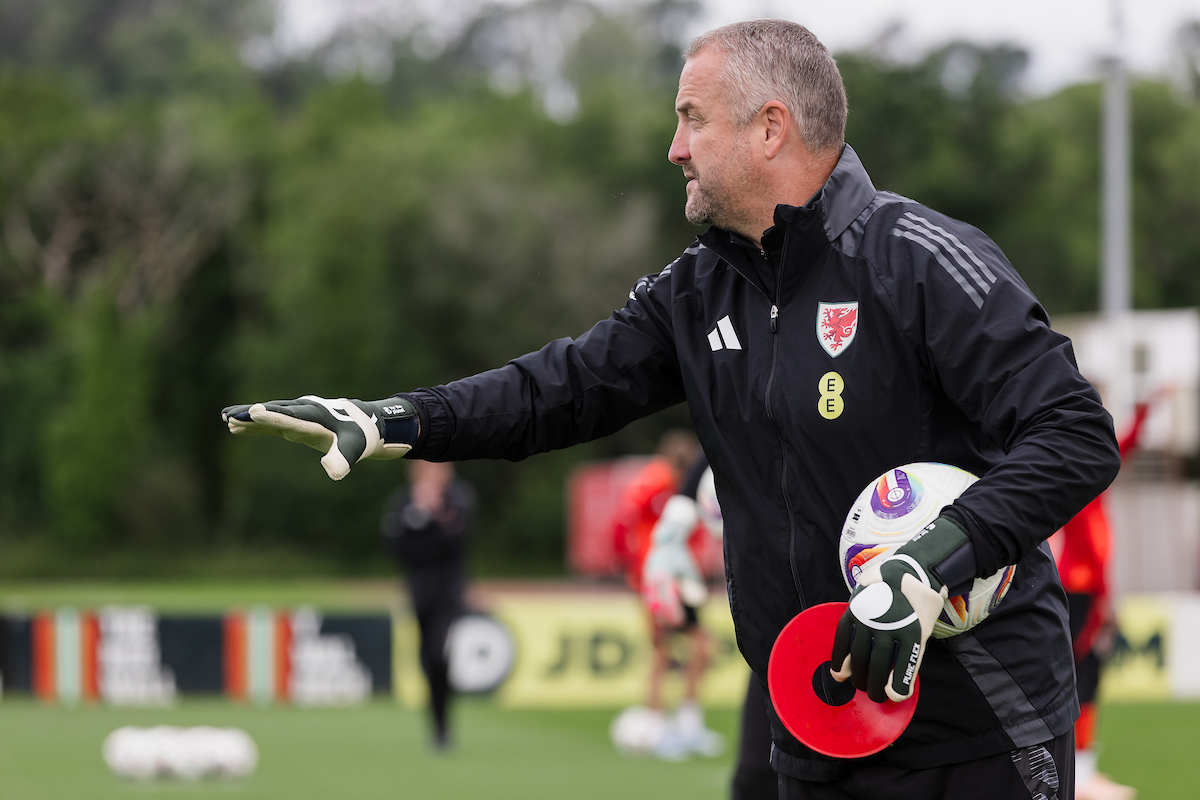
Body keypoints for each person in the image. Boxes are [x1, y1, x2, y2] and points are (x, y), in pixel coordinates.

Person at [223, 19, 1120, 799]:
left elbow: (1076, 434)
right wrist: (397, 420)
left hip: (978, 728)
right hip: (815, 723)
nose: (674, 148)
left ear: (770, 128)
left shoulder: (918, 259)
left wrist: (929, 560)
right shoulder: (696, 293)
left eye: (692, 117)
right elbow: (555, 391)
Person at [1054, 396, 1157, 800]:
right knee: (1078, 676)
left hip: (1089, 591)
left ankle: (1083, 771)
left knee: (1088, 675)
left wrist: (1105, 600)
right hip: (1078, 590)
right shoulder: (1074, 473)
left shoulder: (1091, 478)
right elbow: (1118, 446)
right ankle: (1076, 774)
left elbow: (1118, 448)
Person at [613, 431, 721, 759]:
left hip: (681, 577)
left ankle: (687, 721)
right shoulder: (653, 483)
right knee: (663, 651)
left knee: (700, 647)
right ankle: (657, 725)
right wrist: (634, 568)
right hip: (658, 579)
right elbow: (623, 524)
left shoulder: (684, 487)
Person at [381, 459, 475, 750]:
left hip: (448, 591)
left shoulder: (458, 498)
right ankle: (437, 726)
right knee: (428, 658)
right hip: (419, 591)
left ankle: (442, 727)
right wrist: (417, 515)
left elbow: (457, 541)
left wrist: (433, 515)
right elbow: (396, 545)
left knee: (438, 653)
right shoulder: (404, 500)